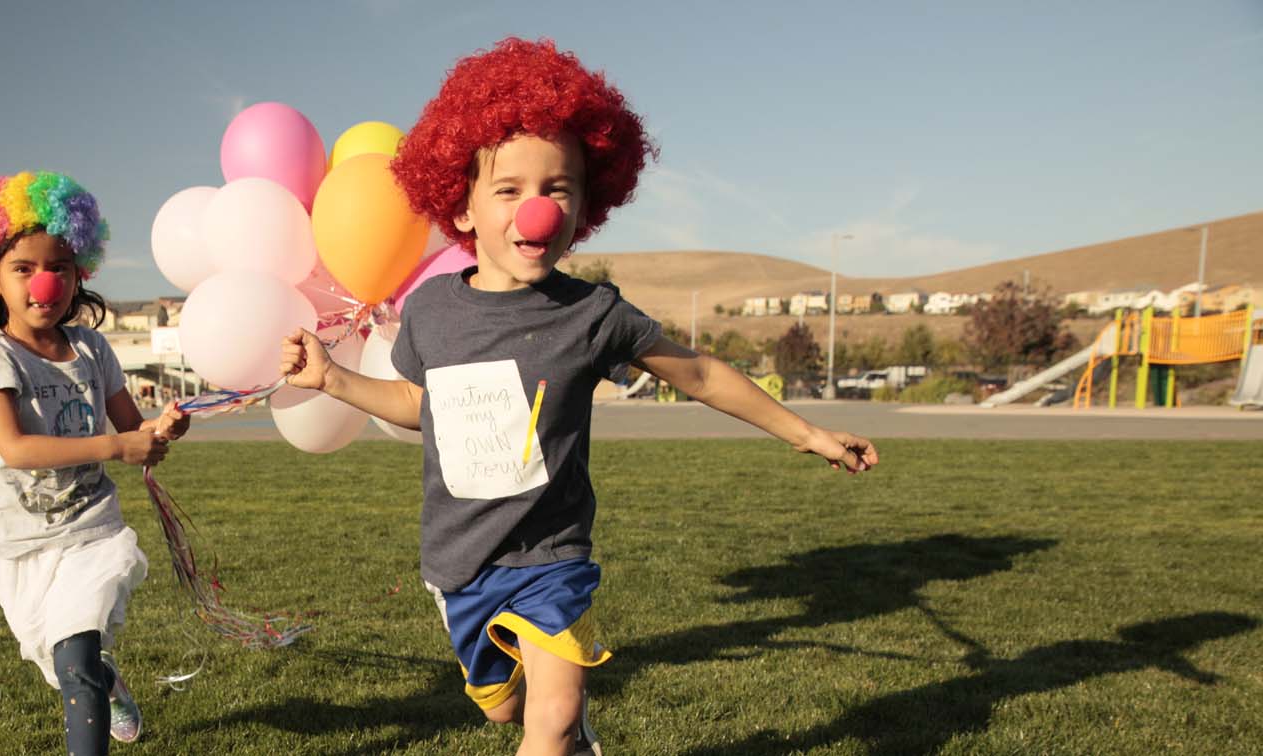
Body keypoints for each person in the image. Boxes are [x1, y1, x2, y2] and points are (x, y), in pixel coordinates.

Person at [280, 39, 879, 756]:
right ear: (462, 207)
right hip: (460, 563)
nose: (535, 211)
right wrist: (332, 380)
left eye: (557, 188)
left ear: (586, 204)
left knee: (553, 718)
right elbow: (421, 405)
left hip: (553, 558)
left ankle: (566, 726)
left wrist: (807, 434)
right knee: (504, 712)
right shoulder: (435, 310)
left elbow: (701, 375)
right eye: (509, 190)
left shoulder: (595, 314)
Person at [0, 170, 189, 754]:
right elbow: (17, 450)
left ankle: (94, 679)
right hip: (13, 536)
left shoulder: (92, 349)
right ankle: (109, 684)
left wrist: (163, 429)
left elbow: (133, 429)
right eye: (23, 268)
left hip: (90, 530)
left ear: (79, 273)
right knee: (59, 659)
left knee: (75, 652)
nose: (44, 283)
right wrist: (117, 445)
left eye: (57, 266)